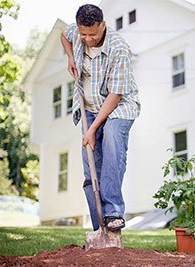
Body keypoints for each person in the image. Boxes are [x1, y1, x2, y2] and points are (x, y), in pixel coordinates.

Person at [60, 4, 140, 231]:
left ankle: (113, 212)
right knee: (91, 168)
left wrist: (92, 129)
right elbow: (64, 35)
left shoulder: (119, 48)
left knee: (112, 143)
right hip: (89, 107)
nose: (87, 39)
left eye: (93, 34)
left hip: (118, 107)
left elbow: (115, 96)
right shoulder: (77, 32)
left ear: (103, 25)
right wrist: (70, 58)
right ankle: (100, 228)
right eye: (83, 34)